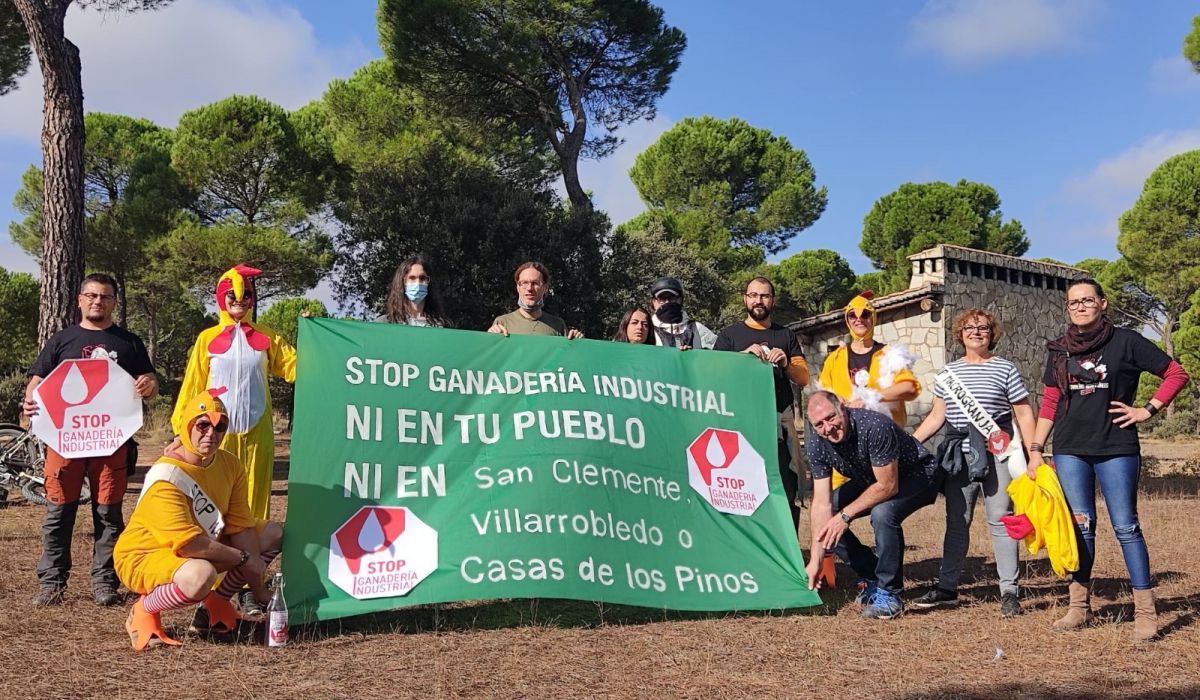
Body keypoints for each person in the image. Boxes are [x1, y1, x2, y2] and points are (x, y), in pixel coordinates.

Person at [1030, 278, 1189, 641]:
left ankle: (1146, 613)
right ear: (1067, 308)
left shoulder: (1127, 341)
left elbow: (1176, 373)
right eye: (1074, 302)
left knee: (1126, 527)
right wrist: (1036, 450)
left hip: (1116, 448)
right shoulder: (1059, 351)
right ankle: (1078, 607)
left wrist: (1148, 410)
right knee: (1080, 527)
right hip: (1070, 450)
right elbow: (1051, 402)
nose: (1081, 306)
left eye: (1088, 300)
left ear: (1103, 304)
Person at [24, 273, 158, 607]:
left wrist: (148, 385)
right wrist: (29, 401)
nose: (98, 301)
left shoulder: (129, 342)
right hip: (66, 442)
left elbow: (150, 382)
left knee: (109, 516)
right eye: (92, 295)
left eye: (106, 297)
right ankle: (52, 583)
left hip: (111, 444)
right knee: (58, 514)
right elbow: (37, 381)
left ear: (114, 302)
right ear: (80, 299)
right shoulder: (61, 340)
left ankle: (105, 583)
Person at [115, 389, 283, 651]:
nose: (211, 434)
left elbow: (241, 526)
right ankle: (143, 609)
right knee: (199, 576)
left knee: (272, 532)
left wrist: (258, 587)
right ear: (187, 426)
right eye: (203, 425)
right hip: (145, 554)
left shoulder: (230, 465)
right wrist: (245, 559)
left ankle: (215, 605)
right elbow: (188, 545)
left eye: (220, 427)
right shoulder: (167, 475)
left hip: (203, 543)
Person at [911, 308, 1037, 618]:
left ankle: (1009, 592)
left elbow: (1022, 412)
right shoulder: (948, 373)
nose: (976, 332)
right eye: (969, 327)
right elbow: (938, 416)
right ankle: (947, 588)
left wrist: (1035, 452)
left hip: (999, 455)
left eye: (982, 327)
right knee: (957, 522)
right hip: (960, 458)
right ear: (960, 334)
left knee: (1001, 520)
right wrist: (910, 444)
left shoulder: (1006, 369)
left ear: (992, 333)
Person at [173, 265, 297, 520]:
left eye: (246, 296)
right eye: (232, 295)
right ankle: (215, 554)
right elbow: (193, 385)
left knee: (253, 499)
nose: (239, 301)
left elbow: (296, 366)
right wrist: (180, 430)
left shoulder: (267, 337)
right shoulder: (207, 338)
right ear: (221, 297)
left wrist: (313, 332)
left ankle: (251, 552)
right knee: (214, 493)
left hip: (256, 433)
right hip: (215, 431)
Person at [804, 391, 941, 619]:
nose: (828, 428)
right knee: (831, 513)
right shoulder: (817, 444)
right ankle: (872, 575)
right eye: (819, 424)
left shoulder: (874, 425)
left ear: (843, 408)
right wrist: (816, 560)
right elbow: (820, 503)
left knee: (882, 513)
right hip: (872, 479)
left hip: (918, 473)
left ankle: (890, 594)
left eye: (831, 418)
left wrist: (844, 516)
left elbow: (888, 486)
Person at [713, 276, 809, 529]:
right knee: (745, 493)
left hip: (780, 423)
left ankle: (788, 556)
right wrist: (741, 358)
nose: (759, 300)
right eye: (753, 295)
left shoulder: (785, 335)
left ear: (773, 300)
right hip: (741, 425)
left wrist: (786, 363)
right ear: (745, 298)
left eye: (764, 295)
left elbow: (804, 377)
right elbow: (711, 375)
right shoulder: (729, 336)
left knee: (787, 490)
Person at [818, 291, 920, 425]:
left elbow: (909, 387)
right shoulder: (835, 358)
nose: (858, 319)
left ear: (873, 318)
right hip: (848, 433)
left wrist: (871, 399)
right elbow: (822, 392)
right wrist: (835, 399)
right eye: (852, 315)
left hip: (884, 432)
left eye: (865, 314)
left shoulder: (889, 354)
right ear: (847, 320)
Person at [487, 261, 583, 338]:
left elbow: (567, 358)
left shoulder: (558, 325)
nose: (529, 288)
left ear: (545, 288)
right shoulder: (502, 323)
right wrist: (488, 338)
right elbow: (492, 357)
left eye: (535, 283)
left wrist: (578, 342)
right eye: (524, 283)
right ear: (518, 287)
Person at [380, 255, 452, 327]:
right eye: (412, 278)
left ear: (429, 282)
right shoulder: (385, 323)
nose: (417, 283)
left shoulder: (442, 326)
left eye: (422, 278)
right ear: (402, 282)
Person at [647, 276, 716, 349]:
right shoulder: (647, 331)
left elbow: (720, 353)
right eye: (661, 298)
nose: (667, 302)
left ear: (681, 300)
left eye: (672, 297)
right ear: (653, 302)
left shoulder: (697, 330)